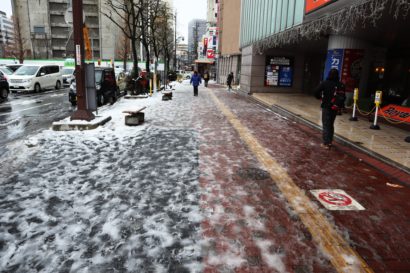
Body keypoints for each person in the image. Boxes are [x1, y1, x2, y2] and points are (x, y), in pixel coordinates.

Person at [315, 68, 345, 149]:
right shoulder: (340, 84)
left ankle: (326, 143)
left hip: (326, 106)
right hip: (335, 107)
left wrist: (320, 97)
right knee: (331, 124)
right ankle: (330, 141)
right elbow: (343, 97)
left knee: (326, 124)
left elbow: (316, 91)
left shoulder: (325, 83)